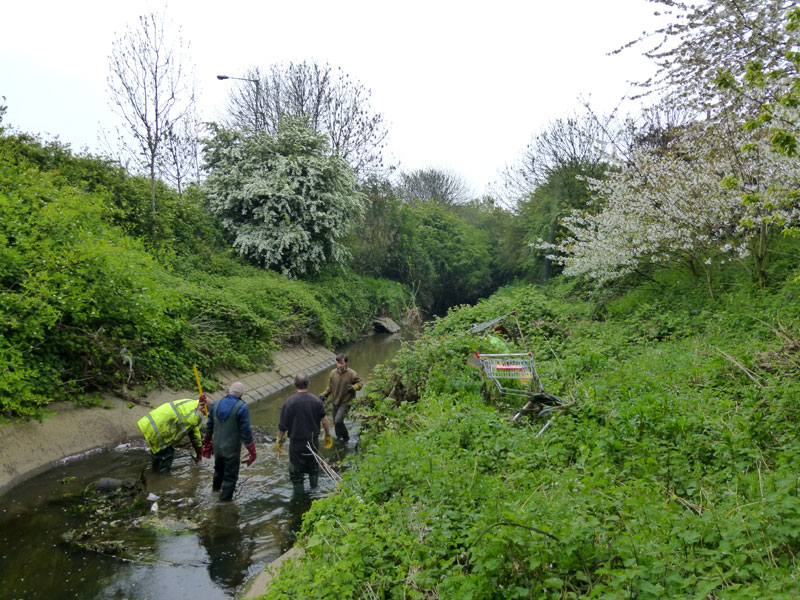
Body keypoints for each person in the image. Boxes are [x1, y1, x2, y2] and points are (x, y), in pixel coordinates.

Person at [276, 372, 333, 495]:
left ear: (295, 384)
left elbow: (282, 426)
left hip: (296, 444)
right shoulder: (316, 401)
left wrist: (279, 441)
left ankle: (299, 498)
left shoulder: (289, 402)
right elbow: (325, 420)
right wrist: (328, 435)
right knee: (313, 468)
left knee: (296, 472)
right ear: (308, 384)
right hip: (313, 442)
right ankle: (315, 494)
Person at [201, 382, 257, 502]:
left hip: (217, 447)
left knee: (218, 471)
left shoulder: (215, 404)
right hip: (231, 449)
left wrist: (207, 444)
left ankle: (215, 491)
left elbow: (209, 426)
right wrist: (252, 451)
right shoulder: (242, 407)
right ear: (241, 395)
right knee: (230, 477)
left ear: (229, 391)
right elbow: (246, 432)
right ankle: (224, 503)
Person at [137, 396, 208, 473]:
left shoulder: (191, 404)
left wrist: (199, 454)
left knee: (158, 455)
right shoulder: (194, 414)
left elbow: (194, 433)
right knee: (166, 455)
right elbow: (193, 422)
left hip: (152, 424)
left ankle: (154, 475)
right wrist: (199, 413)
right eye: (204, 415)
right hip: (158, 429)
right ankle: (163, 480)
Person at [319, 353, 362, 442]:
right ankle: (339, 439)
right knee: (336, 423)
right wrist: (324, 394)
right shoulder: (333, 373)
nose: (339, 365)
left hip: (346, 401)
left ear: (346, 363)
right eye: (338, 363)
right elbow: (330, 387)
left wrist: (354, 387)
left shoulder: (352, 373)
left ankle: (346, 438)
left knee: (338, 421)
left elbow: (360, 383)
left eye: (342, 363)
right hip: (335, 401)